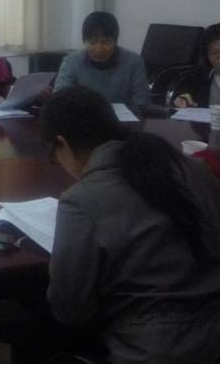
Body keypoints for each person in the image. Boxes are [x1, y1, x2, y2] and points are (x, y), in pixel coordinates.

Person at [41, 86, 219, 363]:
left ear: (61, 143)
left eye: (54, 156)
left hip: (152, 351)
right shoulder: (194, 169)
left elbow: (71, 312)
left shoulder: (81, 200)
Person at [53, 11, 150, 108]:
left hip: (123, 117)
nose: (99, 48)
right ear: (84, 41)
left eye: (106, 42)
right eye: (93, 42)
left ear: (115, 41)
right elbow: (59, 100)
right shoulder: (71, 62)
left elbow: (142, 103)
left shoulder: (133, 62)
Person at [173, 23, 219, 108]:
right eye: (216, 54)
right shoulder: (200, 76)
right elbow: (187, 97)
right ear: (207, 55)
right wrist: (184, 100)